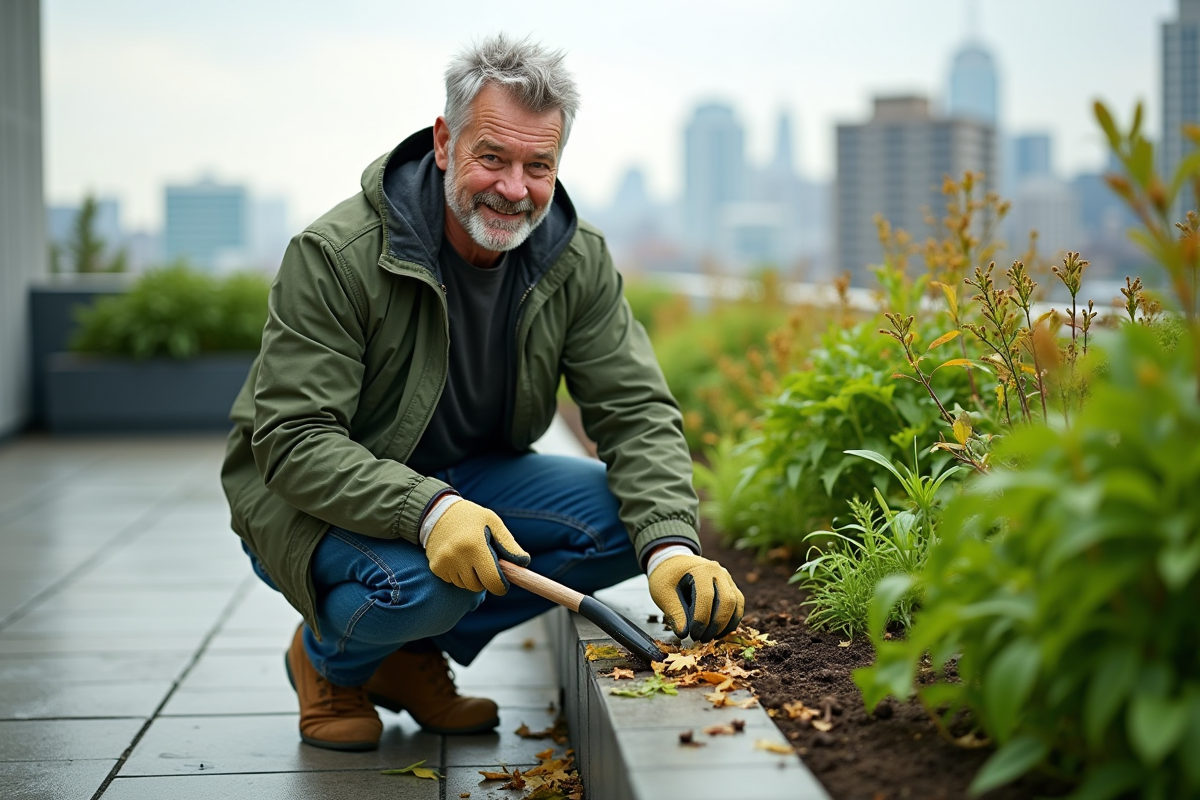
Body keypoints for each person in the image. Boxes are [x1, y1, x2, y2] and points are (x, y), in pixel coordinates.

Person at [219, 34, 744, 752]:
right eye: (491, 157)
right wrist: (430, 510)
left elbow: (635, 408)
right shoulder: (335, 255)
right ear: (444, 142)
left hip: (467, 475)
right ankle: (328, 662)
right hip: (312, 496)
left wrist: (674, 548)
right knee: (435, 583)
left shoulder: (574, 257)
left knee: (636, 523)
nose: (514, 188)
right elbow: (292, 439)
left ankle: (401, 653)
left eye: (538, 166)